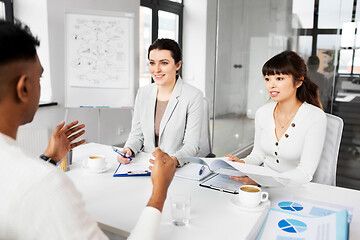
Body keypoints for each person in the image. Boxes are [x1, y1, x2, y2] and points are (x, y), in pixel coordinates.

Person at [0, 20, 176, 239]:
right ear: (24, 88)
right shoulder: (44, 186)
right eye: (40, 77)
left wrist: (49, 158)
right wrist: (159, 192)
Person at [226, 51, 327, 186]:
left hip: (295, 190)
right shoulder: (262, 112)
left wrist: (263, 181)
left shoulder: (315, 117)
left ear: (298, 82)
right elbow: (258, 155)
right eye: (267, 79)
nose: (271, 85)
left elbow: (305, 171)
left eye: (279, 79)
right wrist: (241, 163)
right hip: (263, 187)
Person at [118, 38, 203, 166]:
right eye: (152, 63)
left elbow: (191, 145)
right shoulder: (143, 93)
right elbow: (137, 135)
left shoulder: (193, 96)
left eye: (163, 63)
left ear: (178, 65)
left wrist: (171, 162)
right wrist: (128, 149)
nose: (156, 69)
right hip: (145, 165)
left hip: (175, 167)